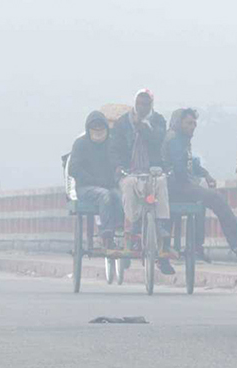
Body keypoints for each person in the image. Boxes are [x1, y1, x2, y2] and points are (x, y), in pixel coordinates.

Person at [163, 108, 237, 259]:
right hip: (176, 188)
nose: (192, 126)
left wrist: (205, 174)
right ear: (178, 123)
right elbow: (180, 170)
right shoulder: (174, 140)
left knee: (213, 199)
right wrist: (194, 184)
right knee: (216, 198)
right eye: (188, 123)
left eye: (194, 123)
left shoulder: (181, 139)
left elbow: (190, 164)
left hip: (181, 186)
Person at [111, 89, 175, 274]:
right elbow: (114, 148)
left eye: (146, 104)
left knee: (162, 183)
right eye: (139, 104)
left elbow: (158, 140)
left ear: (151, 106)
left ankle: (161, 225)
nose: (142, 107)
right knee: (129, 186)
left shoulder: (158, 121)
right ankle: (133, 225)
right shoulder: (123, 123)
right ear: (135, 104)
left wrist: (143, 128)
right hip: (129, 170)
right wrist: (117, 166)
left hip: (153, 170)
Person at [68, 111, 124, 249]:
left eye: (101, 126)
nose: (98, 130)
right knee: (104, 196)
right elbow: (73, 169)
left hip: (109, 186)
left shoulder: (112, 144)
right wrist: (93, 180)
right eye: (95, 127)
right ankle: (106, 234)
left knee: (121, 196)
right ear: (88, 128)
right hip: (86, 188)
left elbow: (118, 163)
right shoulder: (80, 144)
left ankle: (123, 230)